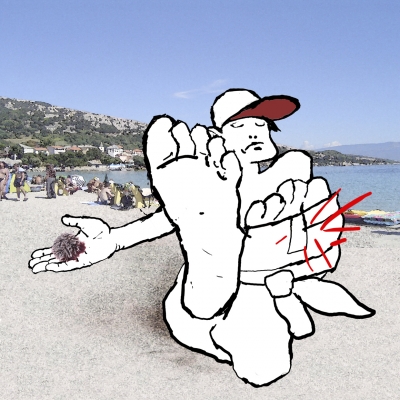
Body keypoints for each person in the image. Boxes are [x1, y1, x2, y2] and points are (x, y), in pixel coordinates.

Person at [29, 89, 374, 387]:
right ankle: (214, 270)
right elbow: (170, 218)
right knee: (257, 360)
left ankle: (218, 280)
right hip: (218, 290)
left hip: (259, 283)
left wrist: (299, 263)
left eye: (261, 125)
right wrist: (114, 239)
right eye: (239, 126)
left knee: (264, 369)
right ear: (219, 137)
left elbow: (319, 239)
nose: (254, 132)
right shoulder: (209, 188)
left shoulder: (294, 181)